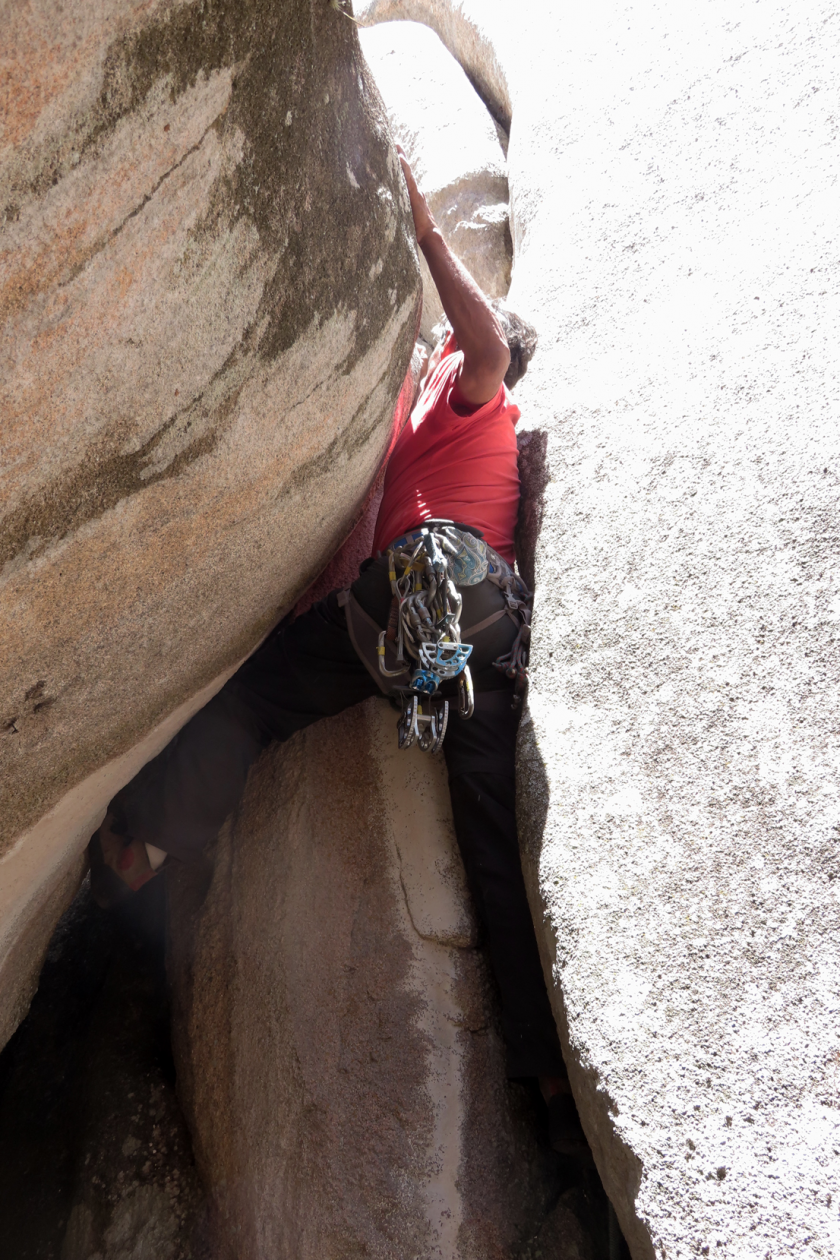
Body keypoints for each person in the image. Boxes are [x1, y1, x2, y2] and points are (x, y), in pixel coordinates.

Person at [88, 147, 587, 1158]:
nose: (444, 342)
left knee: (261, 696)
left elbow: (482, 347)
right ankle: (546, 1091)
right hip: (451, 639)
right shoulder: (428, 423)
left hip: (441, 588)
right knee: (490, 851)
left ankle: (139, 845)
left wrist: (426, 232)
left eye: (449, 340)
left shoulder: (474, 395)